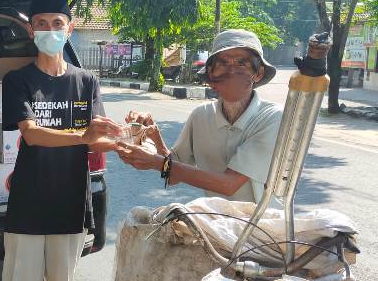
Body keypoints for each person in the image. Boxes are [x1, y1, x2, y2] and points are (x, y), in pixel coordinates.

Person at [0, 0, 122, 281]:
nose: (49, 30)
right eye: (41, 23)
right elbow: (32, 134)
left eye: (57, 23)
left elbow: (96, 142)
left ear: (70, 28)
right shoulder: (18, 80)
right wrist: (83, 136)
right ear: (31, 30)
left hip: (70, 204)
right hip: (28, 204)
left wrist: (131, 144)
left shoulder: (86, 81)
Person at [117, 29, 282, 204]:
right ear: (212, 75)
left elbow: (229, 184)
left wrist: (155, 162)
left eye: (242, 63)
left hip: (260, 224)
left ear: (258, 73)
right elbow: (171, 176)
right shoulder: (201, 116)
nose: (231, 72)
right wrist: (155, 137)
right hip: (217, 220)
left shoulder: (271, 117)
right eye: (223, 64)